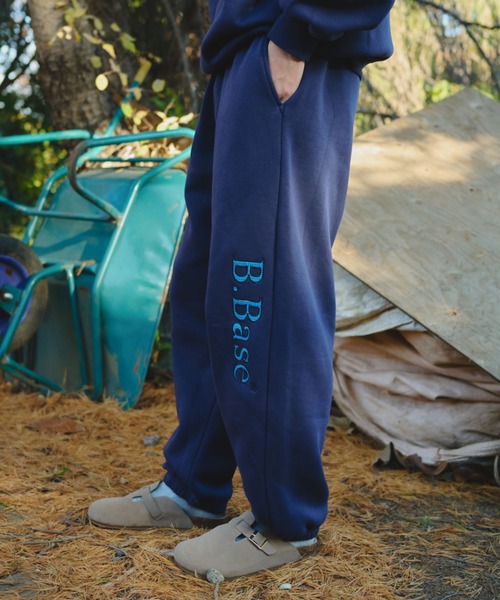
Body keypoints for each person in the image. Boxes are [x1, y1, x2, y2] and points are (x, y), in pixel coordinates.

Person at [88, 0, 395, 579]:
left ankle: (284, 519)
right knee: (211, 282)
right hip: (239, 54)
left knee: (269, 286)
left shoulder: (294, 41)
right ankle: (194, 486)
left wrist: (298, 32)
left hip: (293, 45)